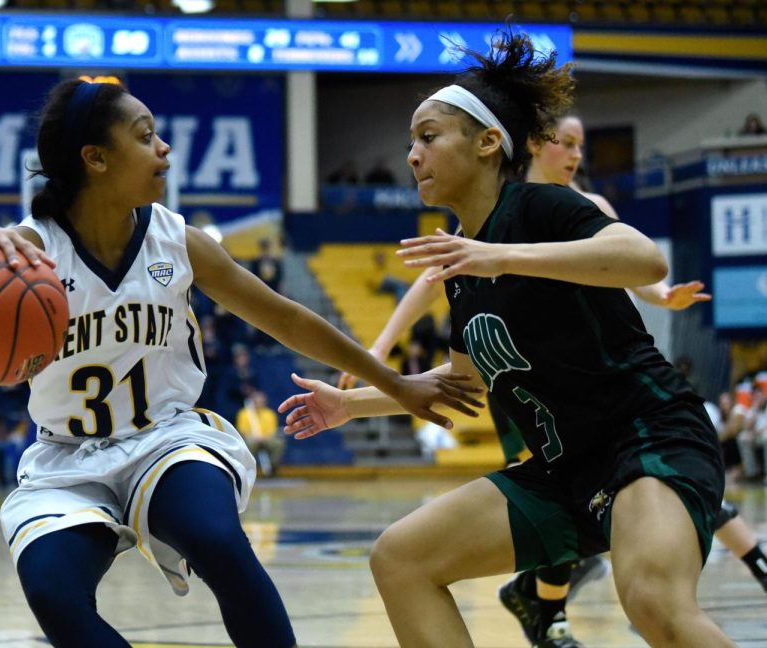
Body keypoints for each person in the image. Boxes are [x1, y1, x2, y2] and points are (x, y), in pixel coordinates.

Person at [0, 78, 480, 648]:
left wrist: (395, 383)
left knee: (215, 538)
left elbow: (285, 318)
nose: (164, 148)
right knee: (52, 594)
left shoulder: (177, 240)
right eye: (145, 137)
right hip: (67, 459)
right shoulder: (29, 249)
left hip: (165, 440)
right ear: (96, 159)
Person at [279, 30, 732, 648]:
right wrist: (350, 405)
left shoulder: (542, 208)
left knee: (654, 601)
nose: (412, 155)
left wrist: (502, 256)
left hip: (645, 436)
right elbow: (462, 385)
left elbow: (644, 259)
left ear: (489, 142)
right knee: (401, 558)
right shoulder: (462, 275)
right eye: (411, 141)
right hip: (561, 469)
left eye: (429, 136)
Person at [236, 390, 283, 477]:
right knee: (248, 443)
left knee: (278, 443)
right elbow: (242, 430)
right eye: (257, 401)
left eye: (261, 401)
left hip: (266, 439)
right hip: (251, 439)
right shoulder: (244, 413)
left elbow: (272, 431)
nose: (259, 403)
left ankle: (273, 469)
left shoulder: (270, 414)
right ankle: (249, 470)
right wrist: (253, 437)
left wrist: (263, 438)